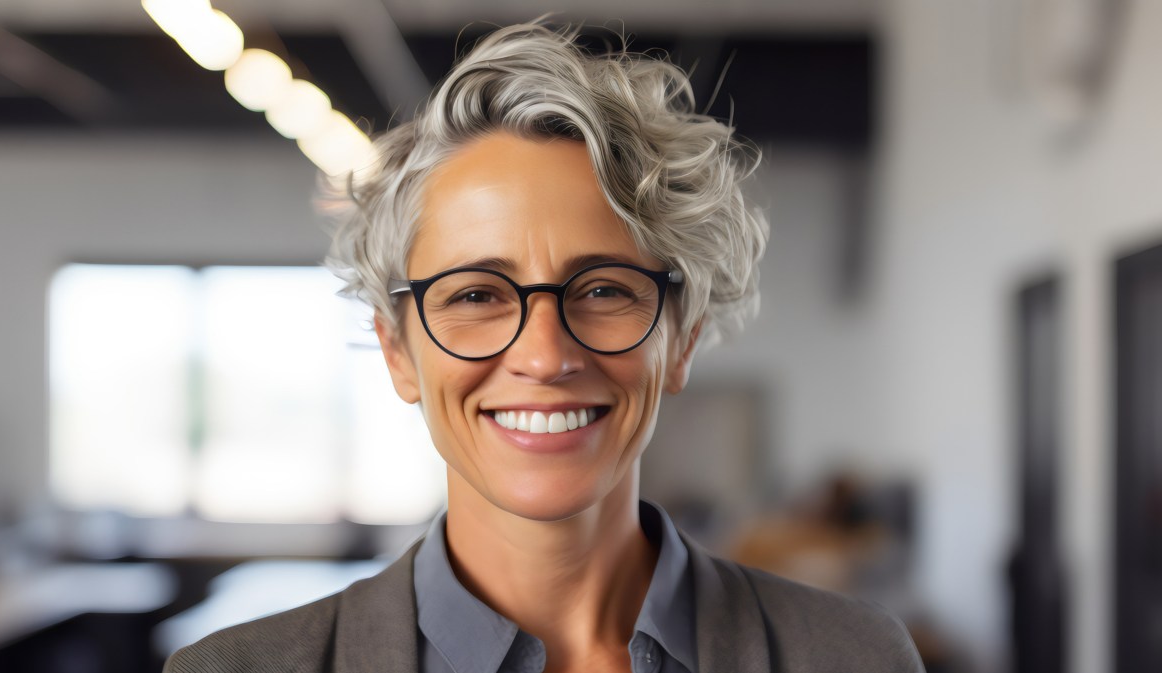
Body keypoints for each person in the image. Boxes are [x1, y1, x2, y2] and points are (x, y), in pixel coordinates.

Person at [165, 22, 924, 673]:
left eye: (602, 289)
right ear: (397, 350)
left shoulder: (853, 655)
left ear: (682, 338)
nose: (544, 354)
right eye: (475, 295)